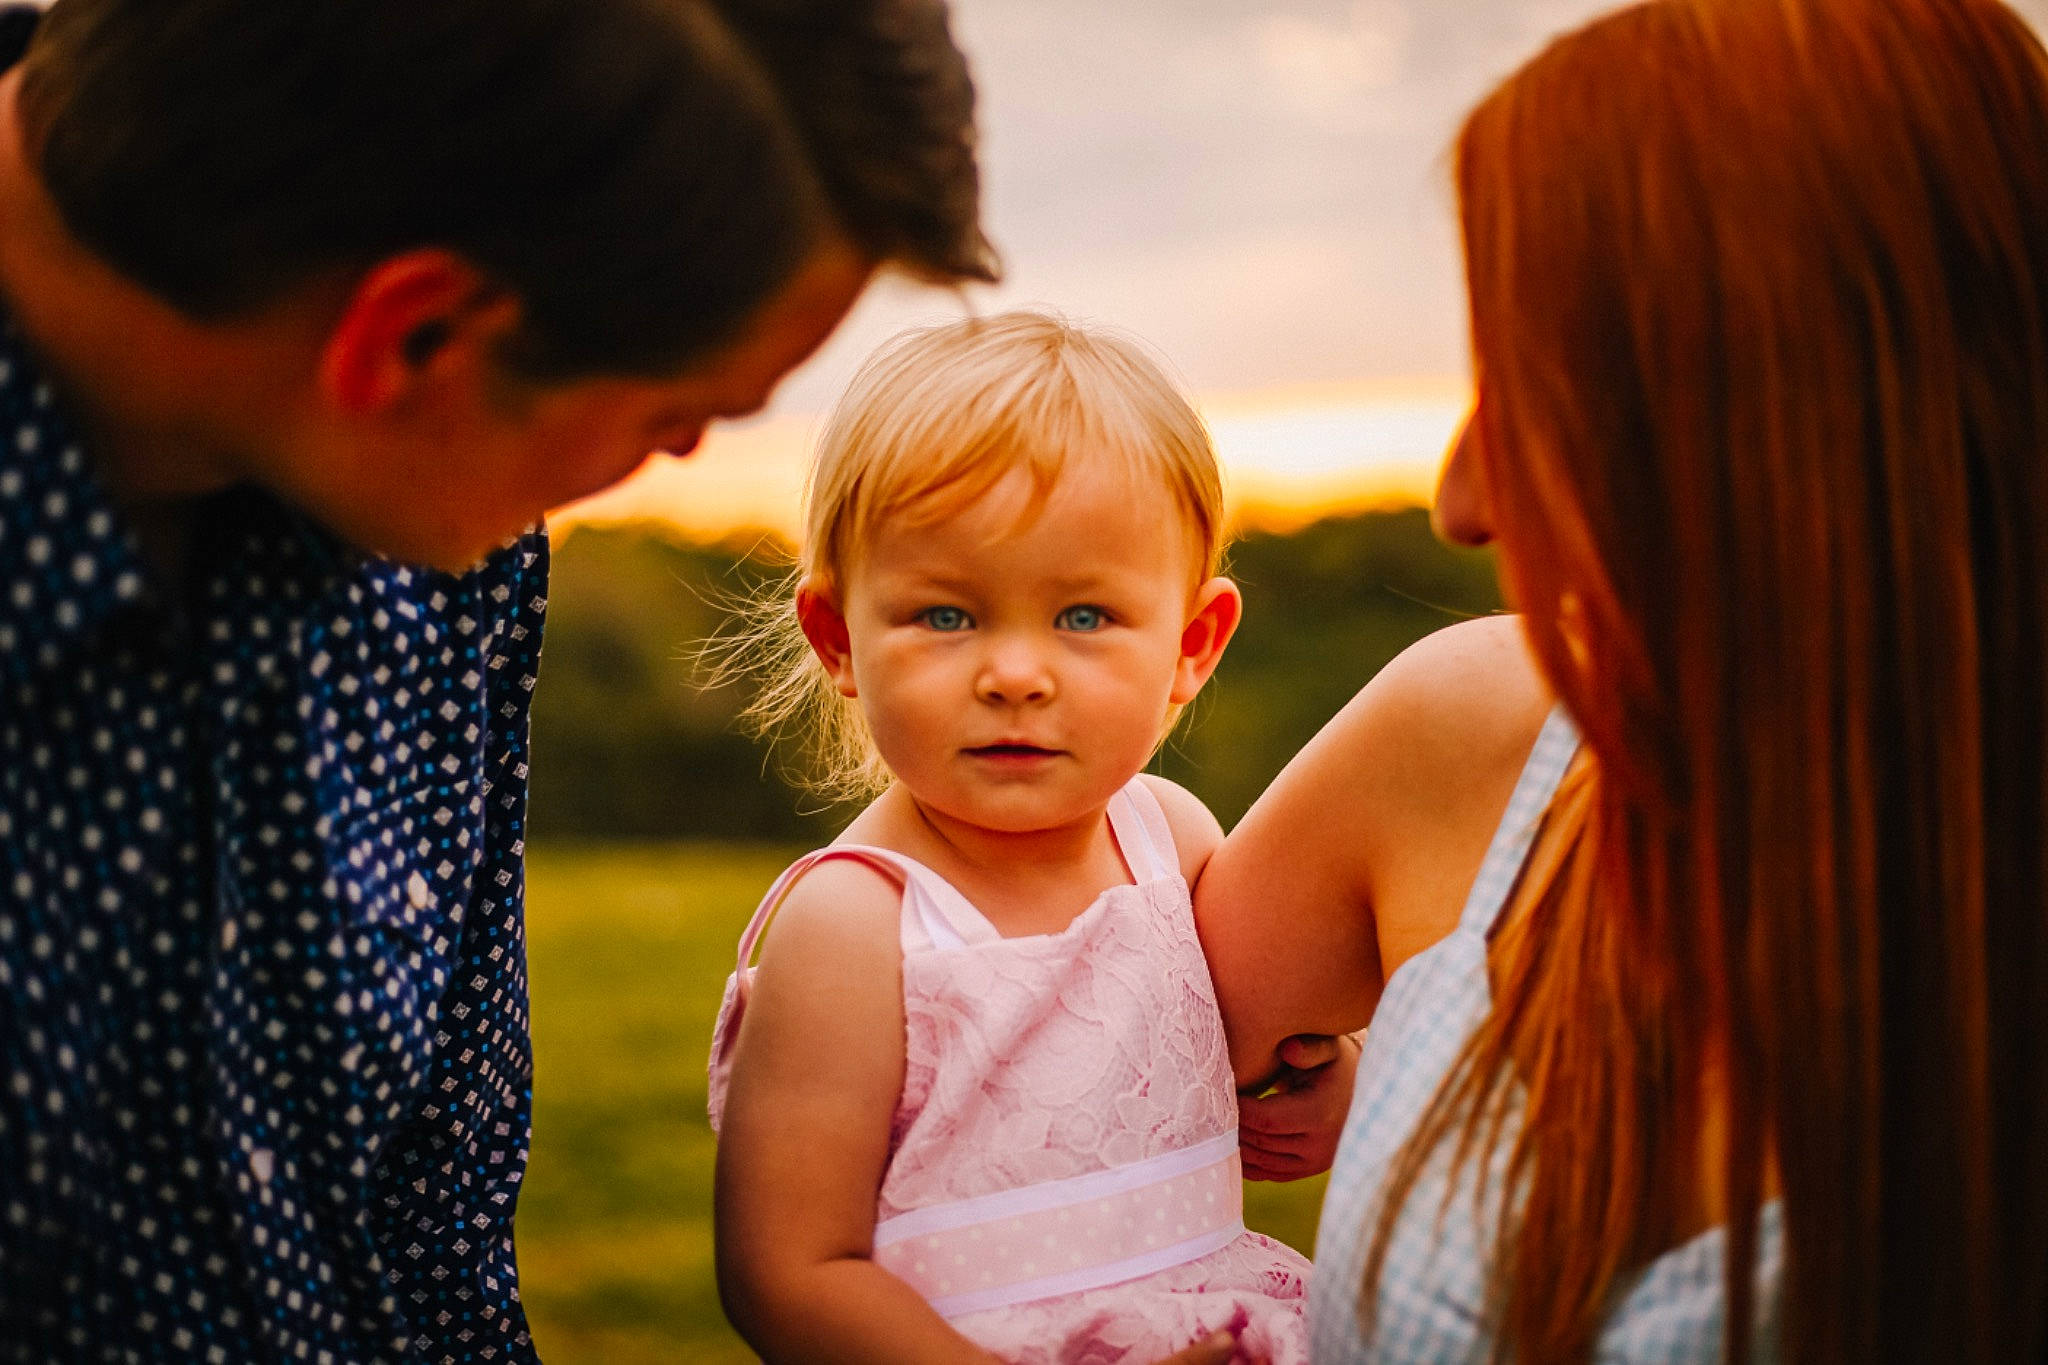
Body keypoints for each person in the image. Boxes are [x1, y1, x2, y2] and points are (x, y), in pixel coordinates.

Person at [0, 0, 995, 1357]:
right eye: (673, 417)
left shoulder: (443, 556)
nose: (681, 458)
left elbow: (438, 1231)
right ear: (414, 340)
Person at [1196, 0, 2048, 1360]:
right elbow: (1094, 1022)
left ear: (1771, 410)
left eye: (1541, 385)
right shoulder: (1473, 736)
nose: (1461, 498)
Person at [705, 312, 1311, 1364]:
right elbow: (787, 1273)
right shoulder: (856, 927)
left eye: (1082, 617)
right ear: (839, 639)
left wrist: (1319, 1074)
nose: (1015, 674)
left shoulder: (1172, 843)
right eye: (946, 616)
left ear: (1191, 646)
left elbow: (1260, 1038)